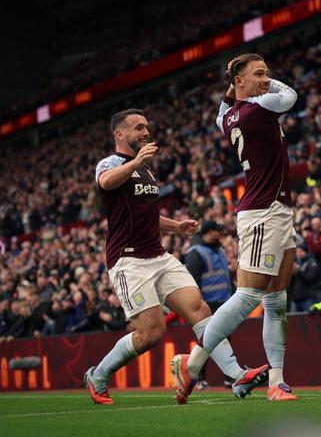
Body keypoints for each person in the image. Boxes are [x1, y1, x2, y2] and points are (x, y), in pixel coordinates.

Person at [85, 109, 267, 405]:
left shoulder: (145, 169)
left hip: (159, 256)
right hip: (128, 260)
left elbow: (147, 216)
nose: (146, 132)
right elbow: (105, 182)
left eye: (147, 127)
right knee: (151, 333)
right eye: (138, 127)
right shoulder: (111, 163)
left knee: (199, 309)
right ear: (120, 134)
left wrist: (176, 226)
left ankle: (236, 375)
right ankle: (99, 375)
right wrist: (135, 162)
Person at [172, 53, 299, 403]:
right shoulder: (259, 109)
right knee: (249, 296)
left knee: (277, 300)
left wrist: (236, 86)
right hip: (263, 211)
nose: (266, 79)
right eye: (259, 73)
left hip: (278, 209)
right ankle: (192, 363)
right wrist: (264, 85)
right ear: (241, 81)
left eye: (267, 73)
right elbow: (290, 96)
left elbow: (221, 110)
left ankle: (277, 381)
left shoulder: (230, 116)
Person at [184, 220, 234, 390]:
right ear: (209, 232)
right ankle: (199, 378)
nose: (219, 234)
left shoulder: (219, 250)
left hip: (224, 302)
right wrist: (199, 304)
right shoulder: (195, 253)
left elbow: (225, 276)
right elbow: (192, 282)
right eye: (217, 231)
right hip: (207, 304)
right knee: (205, 341)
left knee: (225, 340)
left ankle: (229, 377)